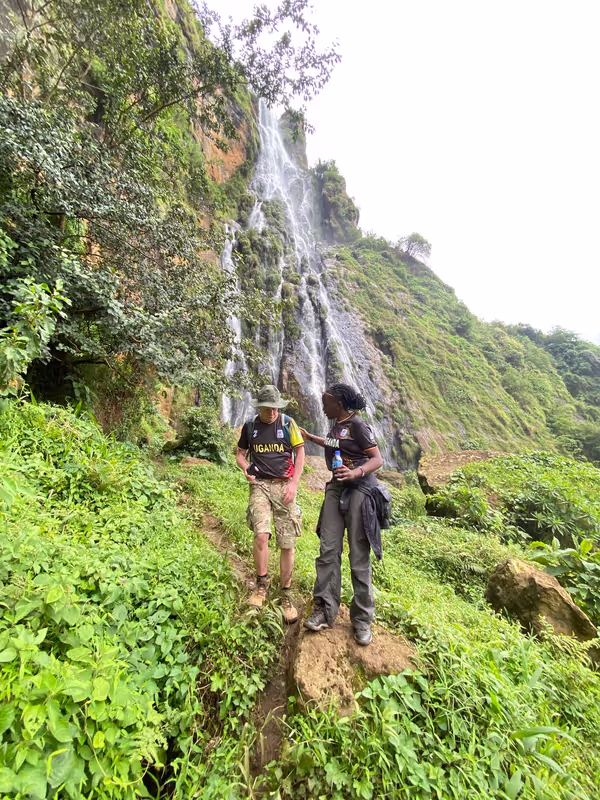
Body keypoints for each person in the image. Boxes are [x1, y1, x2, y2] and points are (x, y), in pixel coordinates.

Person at [300, 383, 383, 645]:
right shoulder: (336, 425)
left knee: (358, 556)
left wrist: (355, 472)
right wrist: (310, 437)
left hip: (360, 489)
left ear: (339, 403)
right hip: (336, 489)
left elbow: (377, 459)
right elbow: (334, 444)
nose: (322, 406)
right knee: (328, 550)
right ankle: (324, 609)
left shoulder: (358, 425)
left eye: (326, 402)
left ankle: (362, 620)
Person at [236, 384, 305, 623]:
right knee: (261, 535)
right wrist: (246, 469)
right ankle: (261, 585)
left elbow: (301, 451)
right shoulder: (251, 426)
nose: (273, 412)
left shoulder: (288, 424)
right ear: (260, 407)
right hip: (260, 486)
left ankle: (285, 594)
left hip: (285, 485)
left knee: (287, 543)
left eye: (276, 408)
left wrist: (294, 483)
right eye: (268, 409)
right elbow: (240, 454)